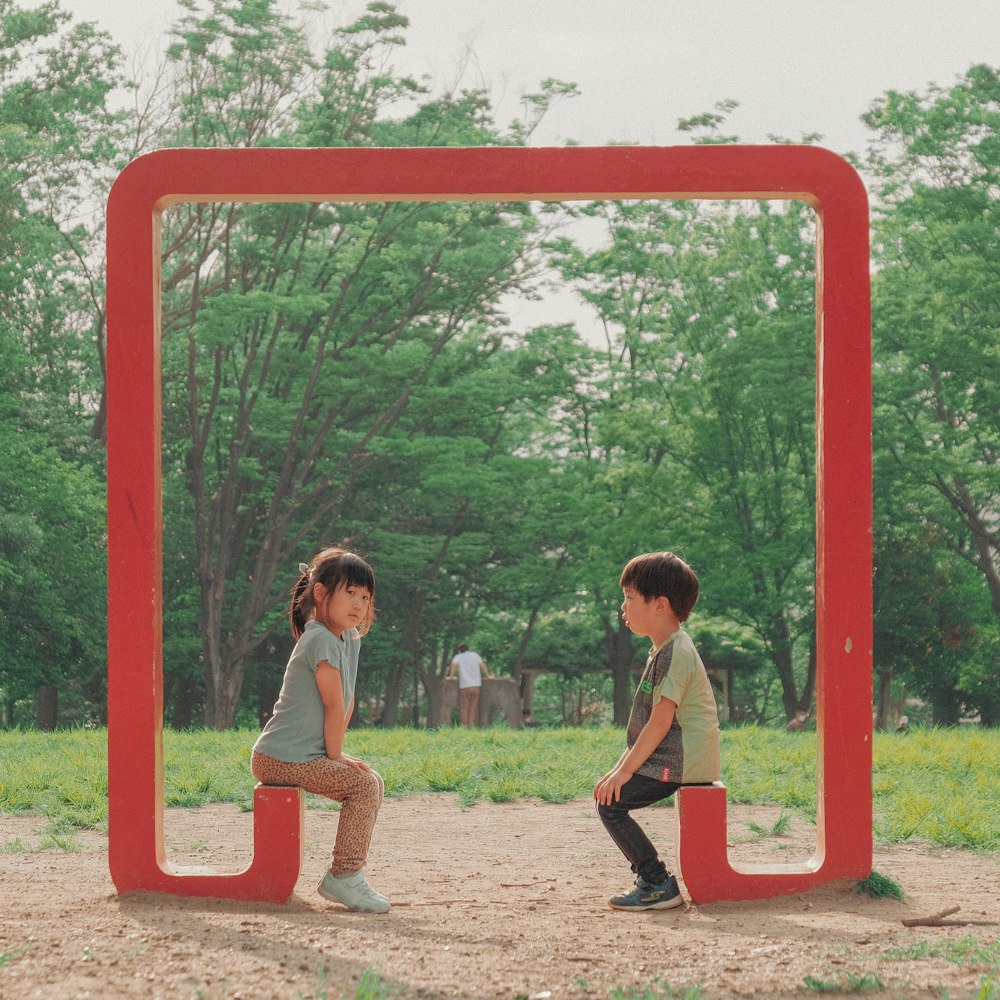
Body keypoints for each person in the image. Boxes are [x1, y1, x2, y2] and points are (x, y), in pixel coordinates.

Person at [251, 546, 389, 913]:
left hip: (299, 756)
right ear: (321, 593)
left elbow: (346, 701)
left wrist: (336, 754)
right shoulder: (321, 638)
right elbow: (333, 704)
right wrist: (335, 756)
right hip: (280, 756)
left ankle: (347, 875)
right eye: (350, 593)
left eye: (365, 597)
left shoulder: (346, 640)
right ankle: (344, 876)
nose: (359, 604)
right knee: (361, 784)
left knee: (371, 780)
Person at [594, 551, 721, 912]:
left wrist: (624, 771)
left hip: (681, 760)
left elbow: (660, 722)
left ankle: (656, 882)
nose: (623, 607)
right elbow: (649, 727)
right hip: (673, 754)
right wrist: (619, 767)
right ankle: (653, 880)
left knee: (611, 805)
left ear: (660, 605)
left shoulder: (676, 653)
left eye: (630, 598)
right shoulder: (665, 648)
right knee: (611, 797)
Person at [447, 644, 493, 726]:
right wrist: (488, 676)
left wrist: (451, 677)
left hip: (465, 685)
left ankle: (465, 726)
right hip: (476, 685)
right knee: (473, 707)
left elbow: (453, 665)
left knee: (464, 707)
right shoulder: (475, 655)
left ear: (459, 650)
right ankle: (471, 725)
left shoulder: (459, 656)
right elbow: (482, 665)